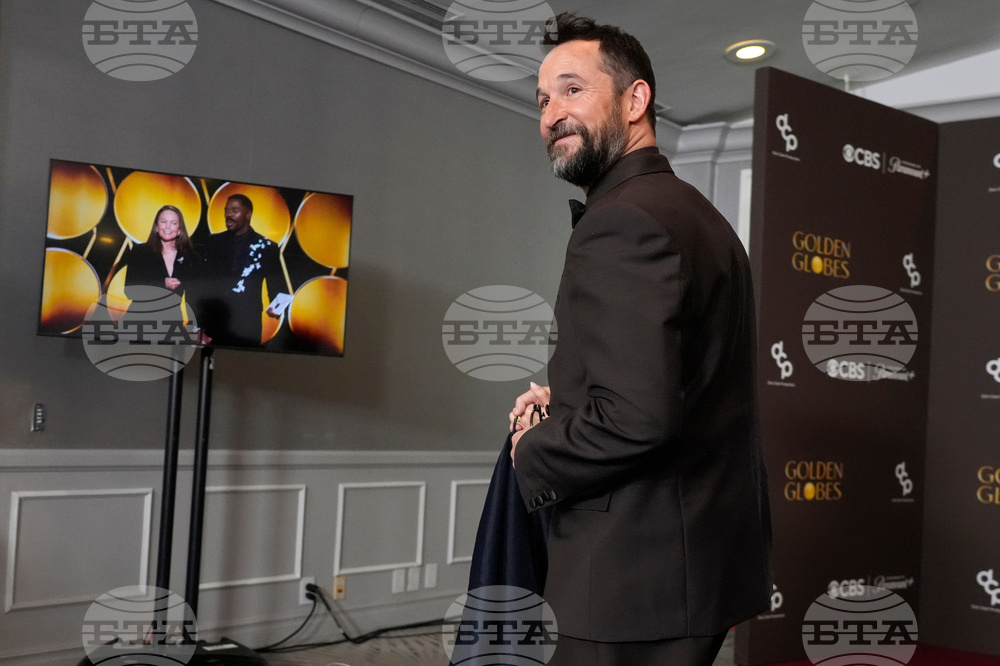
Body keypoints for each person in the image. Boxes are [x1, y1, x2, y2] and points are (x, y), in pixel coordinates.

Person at [507, 13, 772, 666]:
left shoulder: (623, 224)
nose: (550, 114)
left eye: (571, 90)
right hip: (689, 571)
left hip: (635, 578)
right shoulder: (695, 215)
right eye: (542, 100)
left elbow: (636, 420)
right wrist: (566, 396)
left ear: (635, 100)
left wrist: (531, 446)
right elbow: (676, 381)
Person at [201, 193, 284, 347]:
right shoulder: (213, 242)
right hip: (214, 323)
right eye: (226, 210)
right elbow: (203, 282)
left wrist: (276, 308)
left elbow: (278, 284)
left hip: (247, 326)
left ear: (248, 214)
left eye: (234, 210)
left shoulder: (267, 247)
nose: (228, 215)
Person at [124, 204, 202, 309]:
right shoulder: (140, 252)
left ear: (179, 229)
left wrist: (194, 324)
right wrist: (161, 283)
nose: (167, 227)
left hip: (172, 321)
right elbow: (130, 291)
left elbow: (194, 296)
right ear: (156, 226)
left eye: (173, 223)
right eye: (163, 222)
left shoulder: (191, 257)